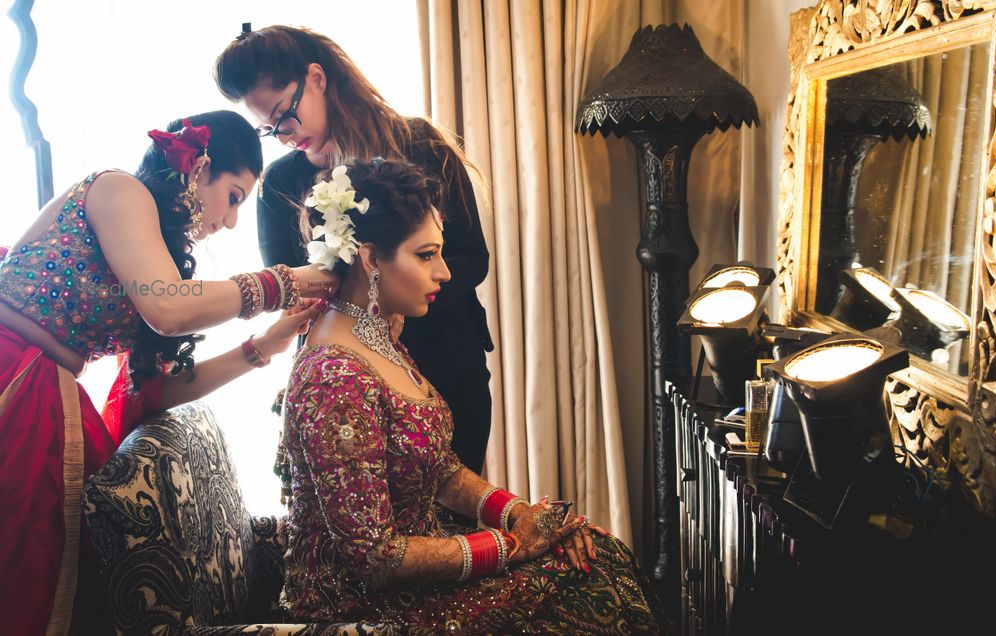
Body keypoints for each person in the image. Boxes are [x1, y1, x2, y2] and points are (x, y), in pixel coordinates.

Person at [276, 158, 664, 633]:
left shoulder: (379, 332)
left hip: (415, 573)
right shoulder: (333, 376)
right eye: (425, 255)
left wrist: (521, 514)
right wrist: (513, 546)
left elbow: (439, 471)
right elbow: (377, 557)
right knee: (592, 587)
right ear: (371, 259)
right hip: (362, 607)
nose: (443, 272)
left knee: (602, 555)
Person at [0, 110, 336, 635]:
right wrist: (280, 283)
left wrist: (262, 347)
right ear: (199, 167)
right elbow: (169, 308)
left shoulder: (153, 252)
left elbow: (150, 395)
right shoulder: (119, 191)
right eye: (234, 198)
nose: (228, 222)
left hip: (45, 385)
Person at [214, 24, 495, 474]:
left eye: (285, 115)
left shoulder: (419, 144)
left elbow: (470, 258)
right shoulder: (281, 184)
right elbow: (293, 291)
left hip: (445, 361)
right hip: (349, 389)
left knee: (455, 508)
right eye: (269, 128)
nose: (284, 135)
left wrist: (401, 305)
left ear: (317, 78)